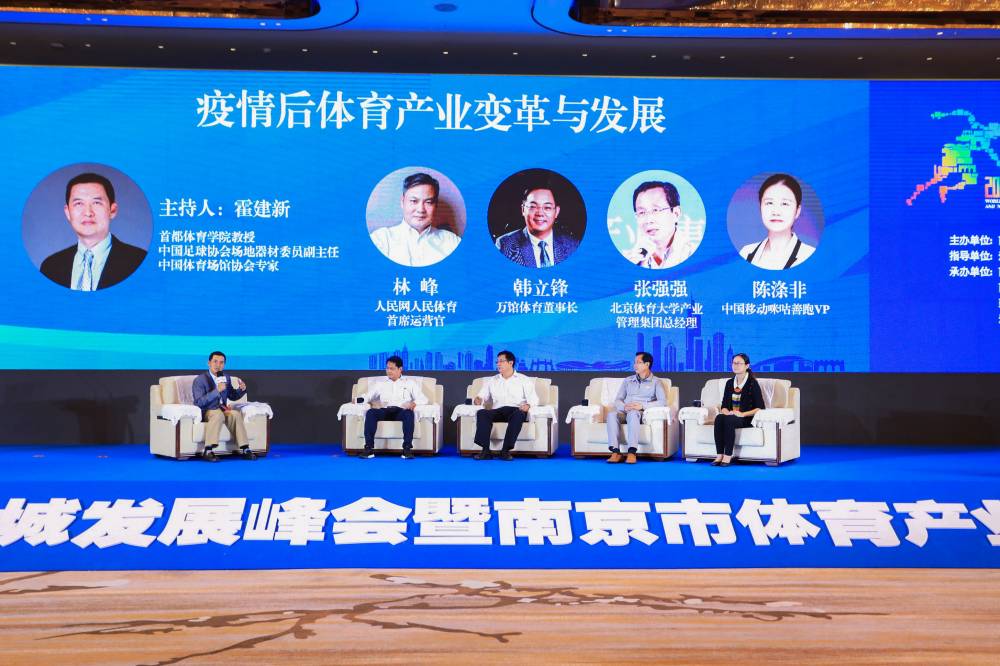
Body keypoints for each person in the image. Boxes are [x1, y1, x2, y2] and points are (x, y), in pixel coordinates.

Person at [39, 172, 147, 291]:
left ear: (112, 210)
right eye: (78, 203)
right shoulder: (50, 267)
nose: (88, 212)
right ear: (68, 212)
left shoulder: (140, 262)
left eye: (96, 203)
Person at [369, 172, 461, 267]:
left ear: (436, 205)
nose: (421, 210)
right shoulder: (381, 240)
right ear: (402, 202)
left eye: (428, 202)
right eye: (414, 201)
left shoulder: (452, 242)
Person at [739, 173, 816, 270]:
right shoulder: (746, 253)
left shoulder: (809, 254)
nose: (776, 212)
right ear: (760, 208)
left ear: (797, 211)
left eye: (785, 204)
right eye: (769, 203)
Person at [472, 350, 539, 461]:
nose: (498, 364)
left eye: (501, 361)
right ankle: (485, 451)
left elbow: (534, 399)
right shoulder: (492, 380)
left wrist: (528, 405)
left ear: (510, 363)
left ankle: (505, 451)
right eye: (497, 362)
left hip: (516, 410)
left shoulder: (524, 379)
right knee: (482, 413)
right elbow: (481, 396)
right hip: (498, 410)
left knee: (518, 415)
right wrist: (478, 400)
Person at [358, 355, 428, 459]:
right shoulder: (380, 383)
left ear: (400, 369)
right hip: (385, 411)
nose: (388, 371)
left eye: (392, 368)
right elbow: (368, 396)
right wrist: (357, 400)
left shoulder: (410, 383)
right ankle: (369, 448)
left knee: (409, 413)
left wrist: (413, 404)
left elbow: (423, 399)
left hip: (401, 412)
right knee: (371, 412)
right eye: (387, 368)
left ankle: (407, 448)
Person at [192, 351, 253, 462]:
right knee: (217, 415)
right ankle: (208, 450)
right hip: (208, 410)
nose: (218, 365)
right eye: (215, 361)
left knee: (235, 414)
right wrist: (217, 391)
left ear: (224, 364)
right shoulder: (199, 380)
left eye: (221, 362)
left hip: (223, 409)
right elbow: (199, 402)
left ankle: (245, 449)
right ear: (209, 363)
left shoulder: (226, 377)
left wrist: (241, 389)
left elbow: (232, 395)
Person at [495, 186, 580, 268]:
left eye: (547, 207)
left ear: (556, 212)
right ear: (523, 210)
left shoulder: (573, 245)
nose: (540, 213)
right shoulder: (505, 245)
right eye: (533, 207)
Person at [606, 351, 666, 464]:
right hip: (625, 410)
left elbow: (662, 402)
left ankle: (632, 452)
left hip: (640, 412)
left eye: (638, 362)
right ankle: (615, 452)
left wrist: (642, 406)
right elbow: (618, 399)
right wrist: (624, 406)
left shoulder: (656, 382)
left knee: (633, 413)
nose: (635, 365)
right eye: (634, 362)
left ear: (647, 364)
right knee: (612, 414)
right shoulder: (628, 380)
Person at [624, 181, 697, 269]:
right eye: (642, 212)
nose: (648, 220)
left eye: (656, 210)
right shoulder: (629, 259)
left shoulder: (694, 255)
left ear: (676, 213)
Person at [712, 353, 765, 467]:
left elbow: (760, 407)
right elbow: (724, 406)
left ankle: (728, 455)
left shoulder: (752, 383)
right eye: (734, 363)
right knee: (719, 418)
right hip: (732, 416)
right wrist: (727, 412)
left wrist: (742, 414)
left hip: (747, 418)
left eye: (739, 363)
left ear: (747, 366)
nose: (735, 365)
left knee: (729, 420)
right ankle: (719, 454)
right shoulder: (729, 383)